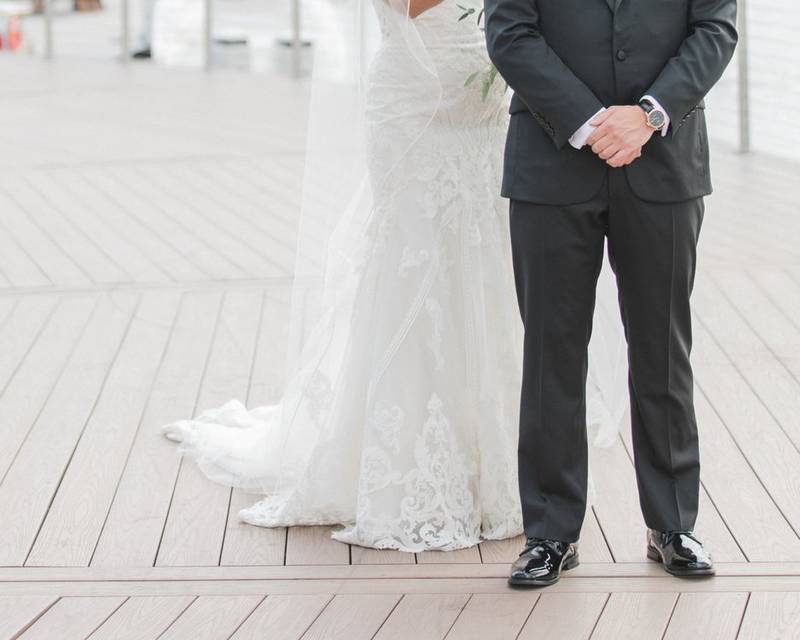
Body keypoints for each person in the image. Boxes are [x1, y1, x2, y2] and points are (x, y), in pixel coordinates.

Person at [160, 0, 626, 553]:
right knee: (419, 270)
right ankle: (413, 464)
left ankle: (501, 464)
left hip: (487, 106)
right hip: (415, 109)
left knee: (489, 270)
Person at [483, 0, 738, 586]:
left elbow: (715, 29)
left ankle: (673, 524)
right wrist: (589, 120)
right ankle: (551, 532)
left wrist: (648, 114)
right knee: (552, 351)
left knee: (663, 349)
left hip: (665, 160)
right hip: (551, 162)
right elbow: (510, 31)